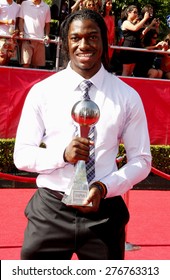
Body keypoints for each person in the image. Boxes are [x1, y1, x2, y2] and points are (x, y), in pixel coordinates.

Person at [14, 9, 151, 260]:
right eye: (76, 38)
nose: (84, 45)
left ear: (104, 41)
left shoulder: (127, 96)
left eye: (92, 37)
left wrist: (103, 187)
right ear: (66, 42)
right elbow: (21, 155)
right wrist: (62, 155)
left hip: (105, 213)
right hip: (50, 211)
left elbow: (141, 160)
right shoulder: (42, 92)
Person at [18, 0, 51, 68]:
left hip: (40, 41)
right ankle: (24, 79)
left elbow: (47, 23)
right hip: (27, 39)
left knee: (36, 66)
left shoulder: (46, 7)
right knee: (25, 64)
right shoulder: (24, 4)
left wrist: (47, 35)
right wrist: (21, 32)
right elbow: (21, 19)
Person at [120, 5, 150, 76]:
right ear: (129, 13)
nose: (136, 14)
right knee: (126, 71)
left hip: (135, 48)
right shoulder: (126, 22)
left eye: (137, 12)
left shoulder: (136, 23)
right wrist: (145, 18)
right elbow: (134, 28)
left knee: (130, 72)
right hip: (127, 49)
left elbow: (140, 34)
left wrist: (150, 25)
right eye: (134, 12)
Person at [0, 0, 20, 65]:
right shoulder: (0, 3)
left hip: (11, 37)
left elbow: (17, 24)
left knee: (7, 60)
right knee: (1, 59)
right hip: (1, 36)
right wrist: (6, 22)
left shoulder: (16, 6)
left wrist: (16, 31)